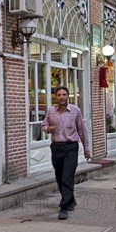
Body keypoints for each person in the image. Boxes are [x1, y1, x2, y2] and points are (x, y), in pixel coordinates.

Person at [42, 86, 90, 220]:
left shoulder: (75, 111)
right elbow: (43, 125)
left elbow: (82, 130)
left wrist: (86, 148)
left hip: (71, 147)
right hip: (56, 147)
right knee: (59, 176)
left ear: (68, 96)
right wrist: (48, 129)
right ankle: (71, 199)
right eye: (59, 95)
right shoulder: (51, 110)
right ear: (56, 97)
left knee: (67, 176)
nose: (61, 97)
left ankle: (64, 207)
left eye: (64, 94)